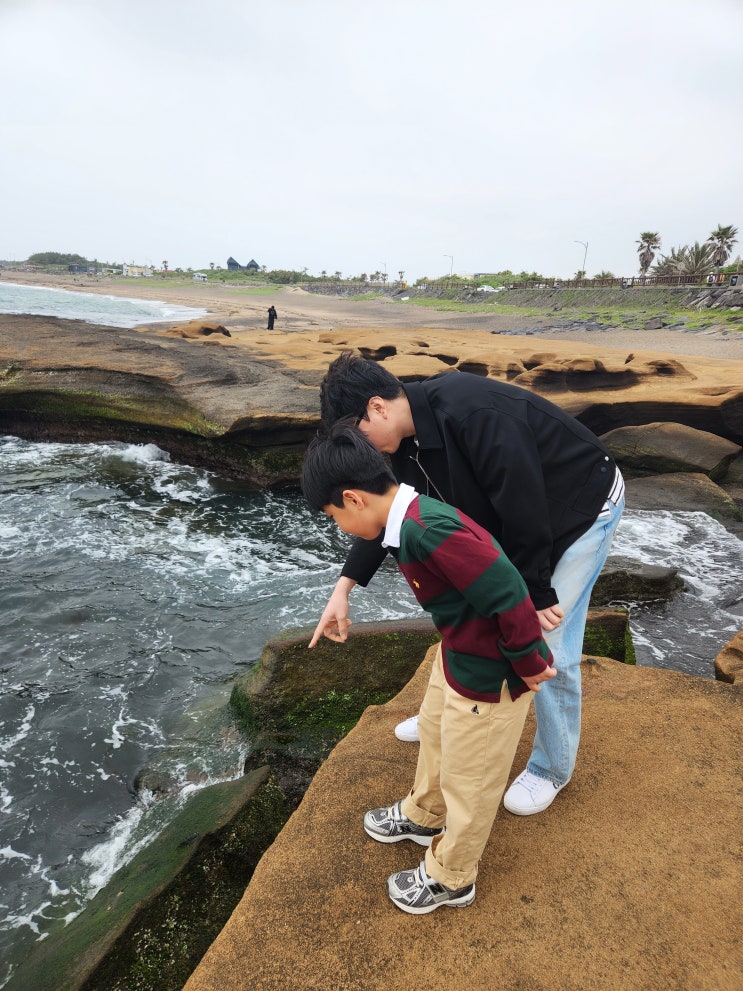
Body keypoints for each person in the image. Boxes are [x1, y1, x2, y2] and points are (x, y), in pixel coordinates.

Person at [310, 351, 624, 816]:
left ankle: (551, 767)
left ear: (377, 408)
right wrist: (345, 585)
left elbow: (523, 505)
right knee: (466, 603)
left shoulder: (472, 411)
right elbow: (384, 513)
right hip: (522, 514)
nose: (361, 448)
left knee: (549, 639)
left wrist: (536, 593)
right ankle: (445, 714)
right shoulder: (405, 444)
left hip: (581, 505)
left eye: (357, 433)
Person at [301, 423, 555, 914]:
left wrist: (529, 662)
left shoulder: (429, 529)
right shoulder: (404, 518)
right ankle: (425, 813)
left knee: (471, 778)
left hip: (488, 674)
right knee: (436, 733)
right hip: (457, 652)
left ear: (353, 499)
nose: (340, 527)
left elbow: (507, 589)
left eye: (334, 517)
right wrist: (342, 591)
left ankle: (452, 876)